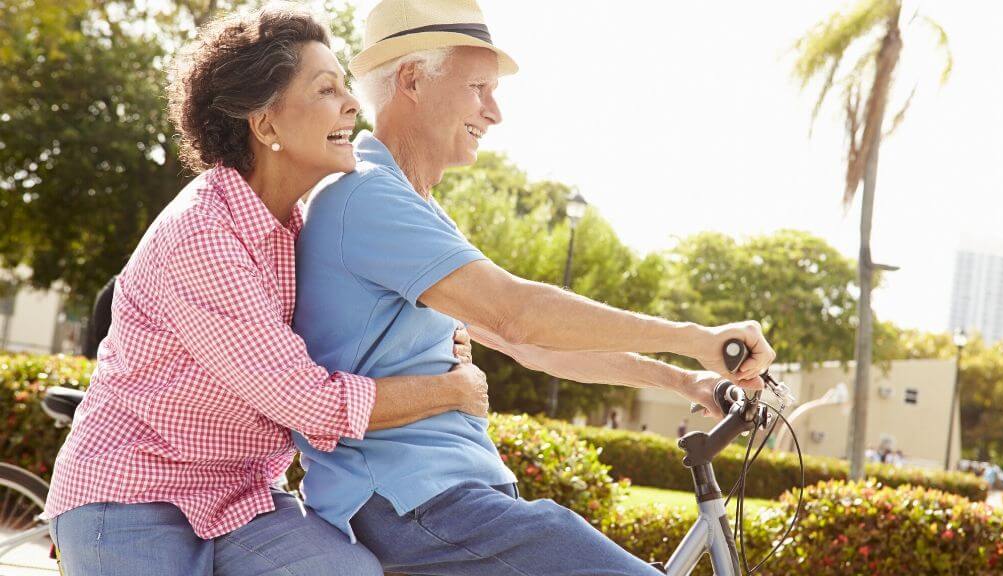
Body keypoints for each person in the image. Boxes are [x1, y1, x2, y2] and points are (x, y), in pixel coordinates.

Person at [289, 1, 777, 574]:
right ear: (412, 79)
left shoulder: (412, 206)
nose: (494, 112)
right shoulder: (367, 197)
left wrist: (684, 380)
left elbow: (528, 343)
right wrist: (695, 336)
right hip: (410, 503)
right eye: (478, 88)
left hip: (441, 500)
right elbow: (519, 314)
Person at [42, 5, 488, 575]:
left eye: (346, 87)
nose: (353, 104)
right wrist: (454, 391)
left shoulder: (305, 228)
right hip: (131, 493)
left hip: (243, 497)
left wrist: (443, 341)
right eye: (326, 89)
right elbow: (311, 402)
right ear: (267, 125)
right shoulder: (203, 233)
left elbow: (367, 334)